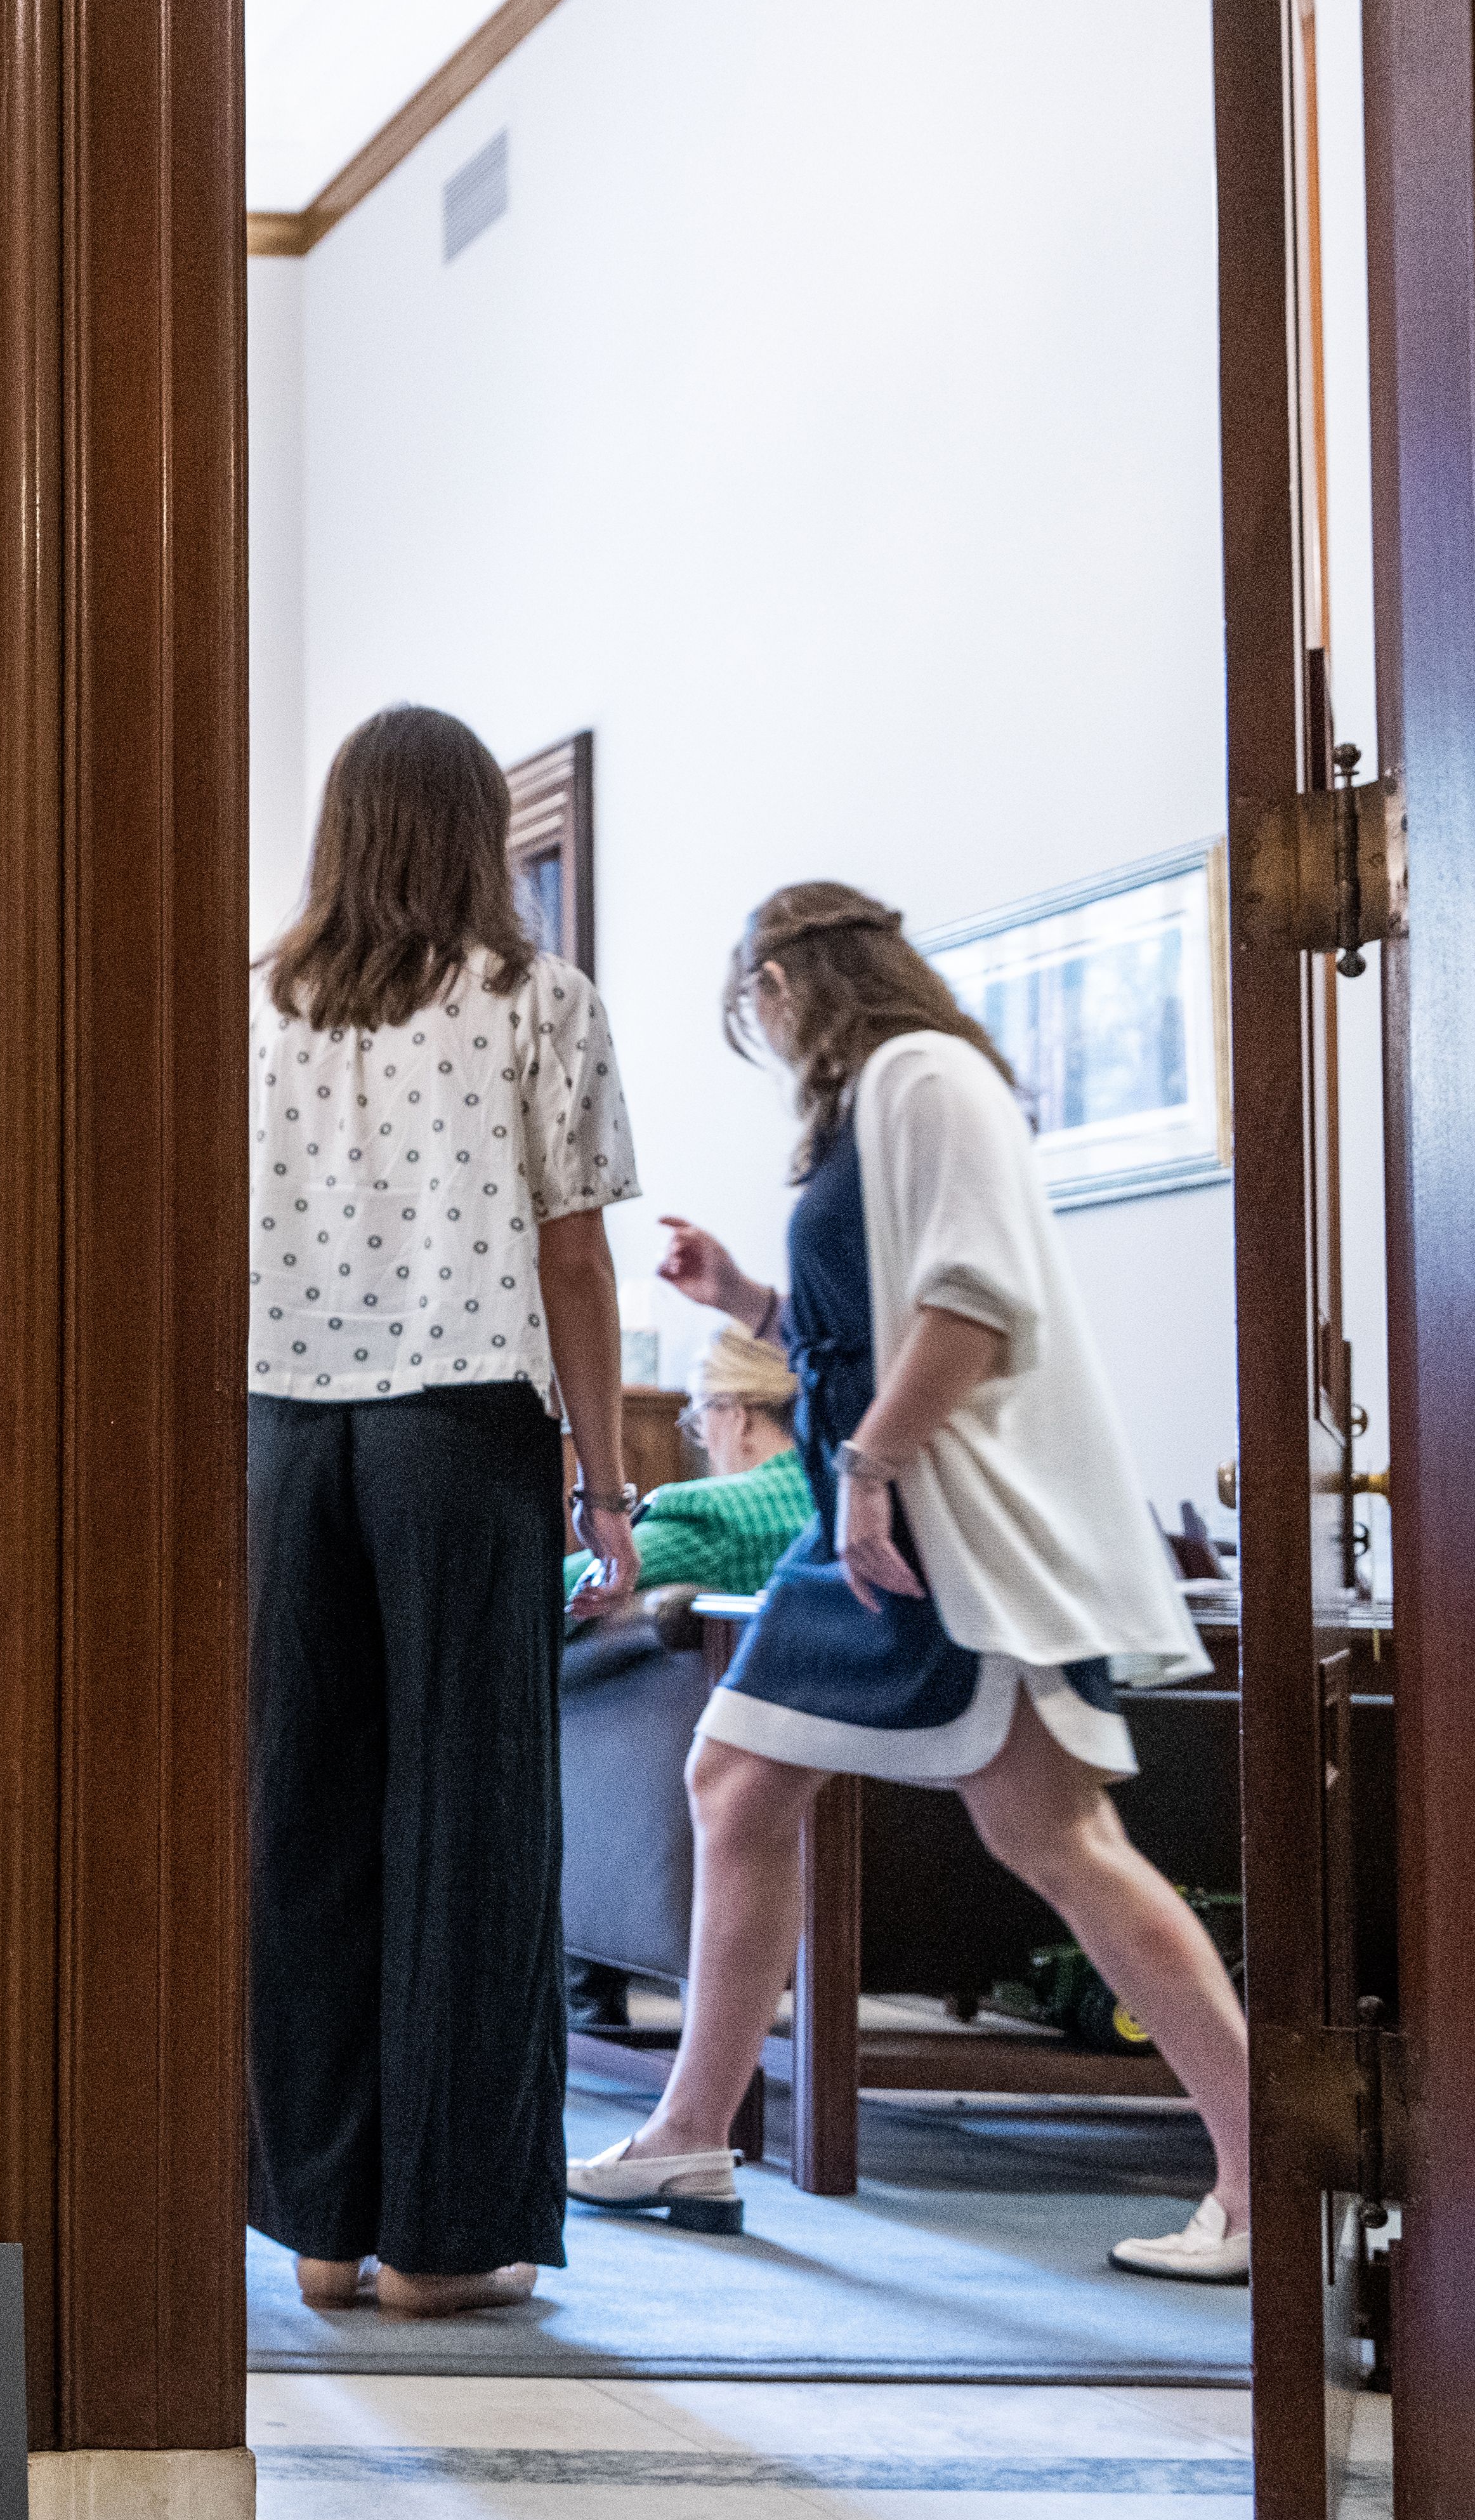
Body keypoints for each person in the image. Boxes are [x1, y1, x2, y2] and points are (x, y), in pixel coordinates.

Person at [565, 882, 1258, 2280]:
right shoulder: (880, 1103)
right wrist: (748, 1303)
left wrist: (874, 1469)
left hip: (942, 1527)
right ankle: (692, 2131)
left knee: (1057, 1840)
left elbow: (970, 1311)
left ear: (790, 981)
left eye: (753, 1003)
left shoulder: (926, 1077)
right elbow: (864, 1328)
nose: (760, 1028)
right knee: (737, 1779)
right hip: (871, 1521)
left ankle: (1263, 2179)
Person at [249, 706, 645, 2319]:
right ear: (478, 833)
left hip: (278, 1436)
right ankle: (444, 2236)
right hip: (460, 1431)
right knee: (467, 1826)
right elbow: (571, 1258)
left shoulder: (255, 1009)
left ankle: (320, 2231)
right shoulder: (536, 1003)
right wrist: (608, 1487)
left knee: (305, 1822)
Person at [606, 1321, 817, 1602]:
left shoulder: (717, 1515)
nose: (703, 1441)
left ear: (737, 1418)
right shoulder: (839, 1496)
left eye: (699, 1418)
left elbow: (558, 1588)